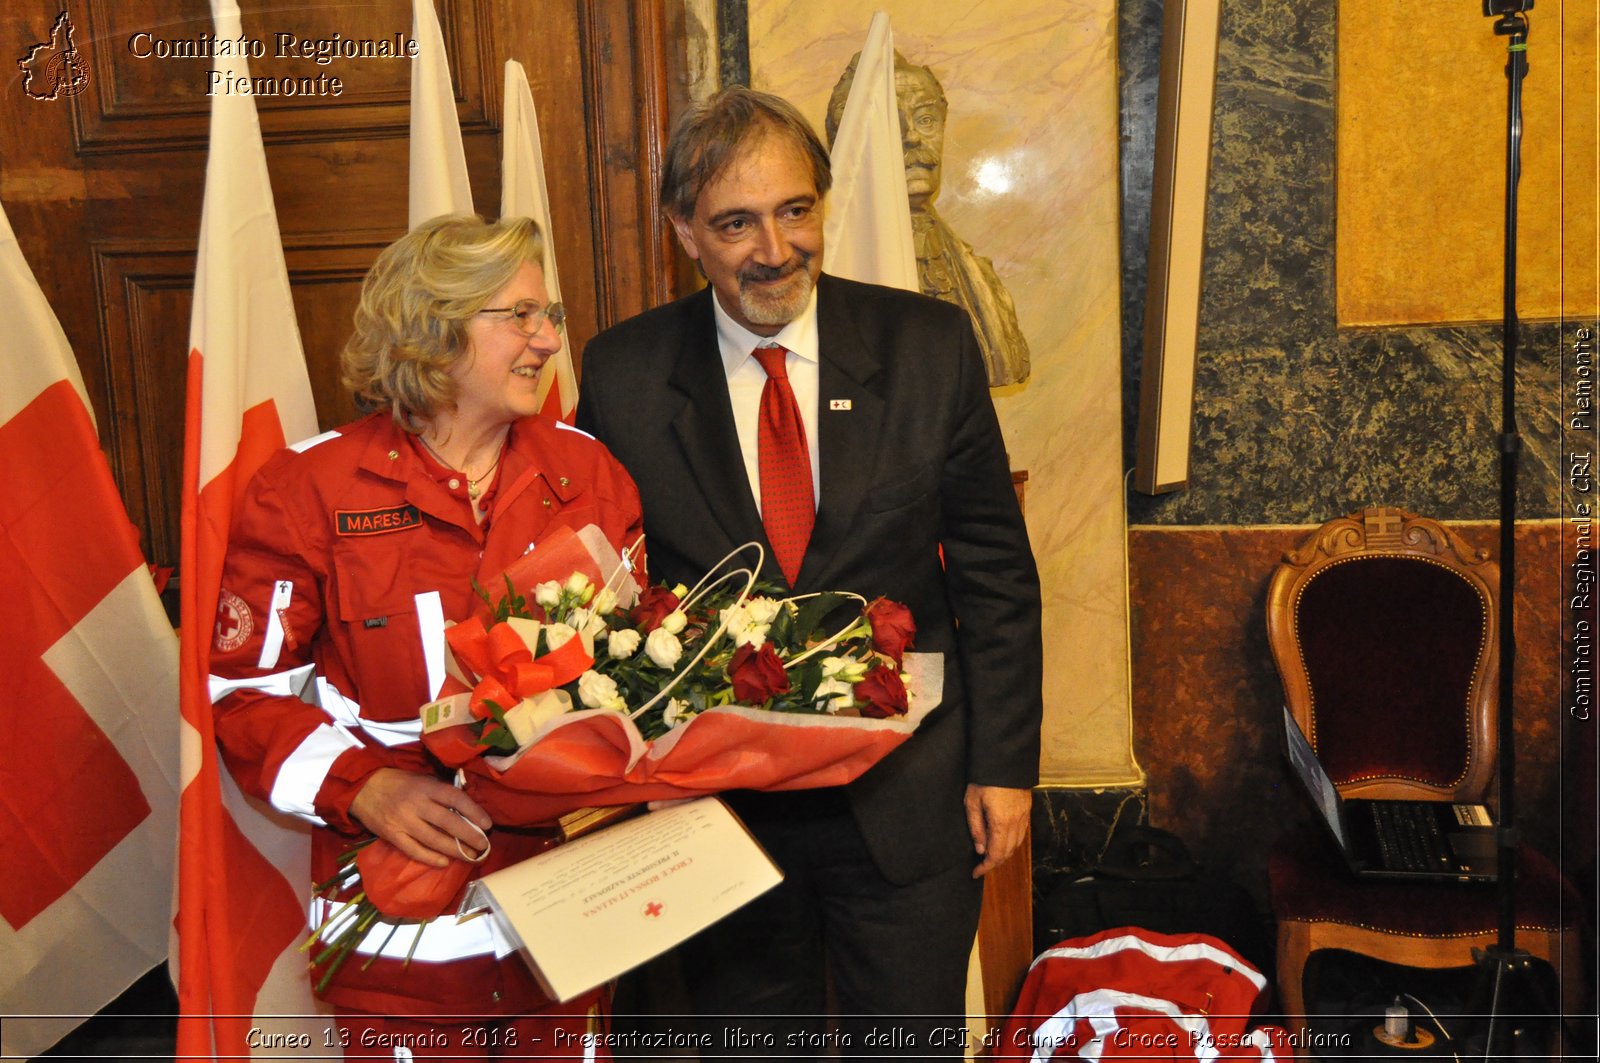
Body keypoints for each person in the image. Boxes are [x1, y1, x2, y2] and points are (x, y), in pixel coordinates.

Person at [577, 87, 1043, 1054]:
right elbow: (605, 594)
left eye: (796, 211)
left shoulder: (927, 347)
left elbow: (995, 573)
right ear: (683, 231)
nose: (776, 250)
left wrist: (1004, 768)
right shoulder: (622, 375)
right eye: (736, 223)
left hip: (907, 800)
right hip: (719, 813)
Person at [209, 214, 642, 1056]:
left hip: (570, 915)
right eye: (518, 315)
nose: (549, 338)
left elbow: (642, 681)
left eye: (547, 313)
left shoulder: (588, 472)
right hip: (400, 930)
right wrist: (365, 786)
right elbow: (239, 694)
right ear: (432, 331)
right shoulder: (310, 485)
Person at [826, 50, 1032, 388]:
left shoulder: (977, 275)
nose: (912, 137)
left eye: (925, 120)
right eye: (892, 123)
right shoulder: (832, 278)